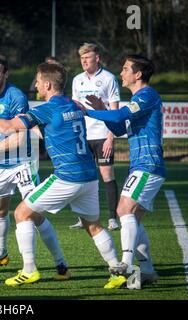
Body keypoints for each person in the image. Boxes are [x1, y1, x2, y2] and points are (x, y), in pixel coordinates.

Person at [0, 62, 119, 286]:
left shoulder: (46, 109)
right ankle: (117, 271)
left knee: (21, 213)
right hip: (89, 176)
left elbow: (6, 126)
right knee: (94, 226)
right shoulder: (73, 105)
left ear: (48, 84)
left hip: (67, 177)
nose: (36, 84)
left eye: (38, 81)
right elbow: (49, 130)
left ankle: (29, 270)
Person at [0, 54, 71, 282]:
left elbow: (18, 140)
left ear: (5, 74)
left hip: (21, 164)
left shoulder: (16, 97)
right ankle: (0, 253)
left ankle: (60, 263)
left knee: (33, 214)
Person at [79, 54, 165, 289]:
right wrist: (101, 108)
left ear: (138, 74)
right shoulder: (139, 98)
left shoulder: (147, 95)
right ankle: (147, 271)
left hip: (148, 164)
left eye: (126, 68)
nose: (121, 73)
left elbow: (119, 115)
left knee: (122, 209)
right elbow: (117, 127)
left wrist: (89, 112)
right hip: (143, 165)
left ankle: (126, 263)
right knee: (133, 220)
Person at [69, 43, 121, 231]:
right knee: (83, 176)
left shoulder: (109, 78)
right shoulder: (77, 80)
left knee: (107, 175)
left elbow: (114, 112)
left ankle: (112, 218)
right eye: (81, 58)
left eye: (87, 57)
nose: (83, 61)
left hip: (102, 134)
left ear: (96, 58)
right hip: (83, 135)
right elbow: (75, 107)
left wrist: (110, 137)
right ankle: (84, 218)